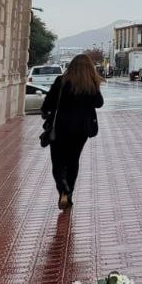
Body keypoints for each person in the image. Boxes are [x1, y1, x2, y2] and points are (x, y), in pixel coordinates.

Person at [40, 53, 103, 211]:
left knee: (58, 162)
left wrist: (46, 112)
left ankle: (63, 189)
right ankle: (69, 195)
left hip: (60, 127)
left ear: (72, 66)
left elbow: (48, 103)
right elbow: (99, 103)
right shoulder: (90, 84)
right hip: (81, 129)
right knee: (73, 161)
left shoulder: (61, 81)